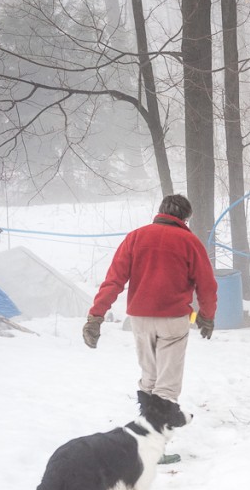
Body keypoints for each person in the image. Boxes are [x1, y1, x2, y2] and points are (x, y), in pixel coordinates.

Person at [82, 194, 217, 462]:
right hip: (174, 320)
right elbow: (207, 284)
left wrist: (95, 316)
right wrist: (207, 316)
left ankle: (145, 442)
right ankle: (155, 449)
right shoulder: (190, 241)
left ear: (160, 212)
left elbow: (114, 280)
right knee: (167, 384)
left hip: (140, 319)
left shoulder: (135, 237)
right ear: (185, 218)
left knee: (149, 379)